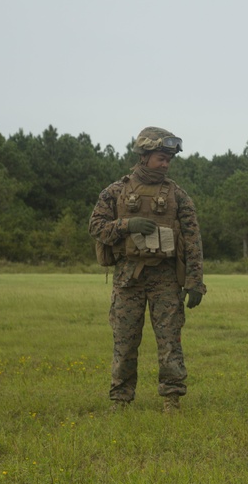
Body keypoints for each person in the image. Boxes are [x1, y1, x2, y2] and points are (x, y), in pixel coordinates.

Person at [88, 126, 206, 413]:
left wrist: (195, 282)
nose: (165, 164)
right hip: (128, 278)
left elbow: (192, 240)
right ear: (144, 156)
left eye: (168, 160)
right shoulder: (115, 192)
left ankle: (172, 398)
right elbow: (95, 227)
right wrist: (126, 225)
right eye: (160, 158)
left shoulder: (177, 195)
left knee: (169, 340)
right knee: (125, 340)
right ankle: (120, 398)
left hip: (165, 278)